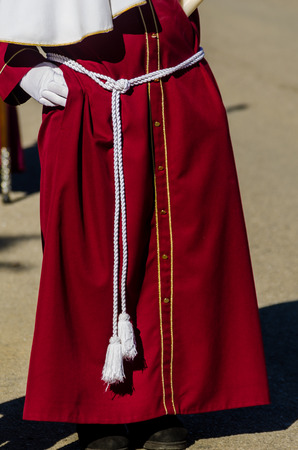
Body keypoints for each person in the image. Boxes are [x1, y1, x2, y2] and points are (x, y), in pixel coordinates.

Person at [0, 1, 270, 449]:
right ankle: (99, 410)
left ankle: (161, 400)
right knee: (92, 260)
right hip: (91, 96)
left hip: (176, 85)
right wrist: (17, 68)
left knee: (177, 251)